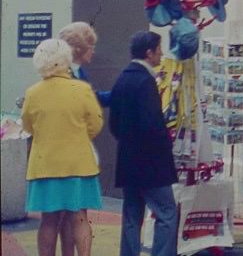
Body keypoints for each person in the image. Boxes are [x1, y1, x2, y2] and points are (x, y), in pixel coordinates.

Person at [21, 38, 104, 256]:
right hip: (79, 164)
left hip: (45, 165)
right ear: (66, 60)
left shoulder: (33, 93)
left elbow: (28, 126)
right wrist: (77, 137)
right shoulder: (82, 89)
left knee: (48, 221)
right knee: (79, 218)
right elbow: (96, 123)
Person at [109, 31, 178, 256]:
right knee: (167, 212)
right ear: (149, 53)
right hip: (151, 164)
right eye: (159, 50)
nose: (161, 54)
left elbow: (114, 123)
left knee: (131, 215)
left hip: (128, 161)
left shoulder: (123, 78)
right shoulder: (146, 82)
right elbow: (152, 125)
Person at [59, 22, 111, 107]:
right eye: (91, 46)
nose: (93, 51)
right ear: (79, 48)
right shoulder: (62, 73)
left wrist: (120, 93)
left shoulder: (79, 70)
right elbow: (92, 99)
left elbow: (93, 98)